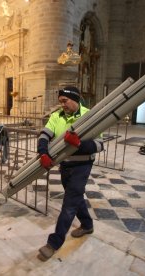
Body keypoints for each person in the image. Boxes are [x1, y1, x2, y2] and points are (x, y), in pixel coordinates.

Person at [37, 86, 103, 262]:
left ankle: (54, 243)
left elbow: (99, 145)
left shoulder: (89, 115)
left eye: (65, 101)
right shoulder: (56, 116)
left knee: (69, 203)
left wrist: (79, 144)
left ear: (75, 99)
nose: (62, 105)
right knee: (75, 197)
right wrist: (43, 152)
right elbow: (44, 135)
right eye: (60, 101)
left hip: (82, 165)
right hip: (64, 164)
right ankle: (87, 225)